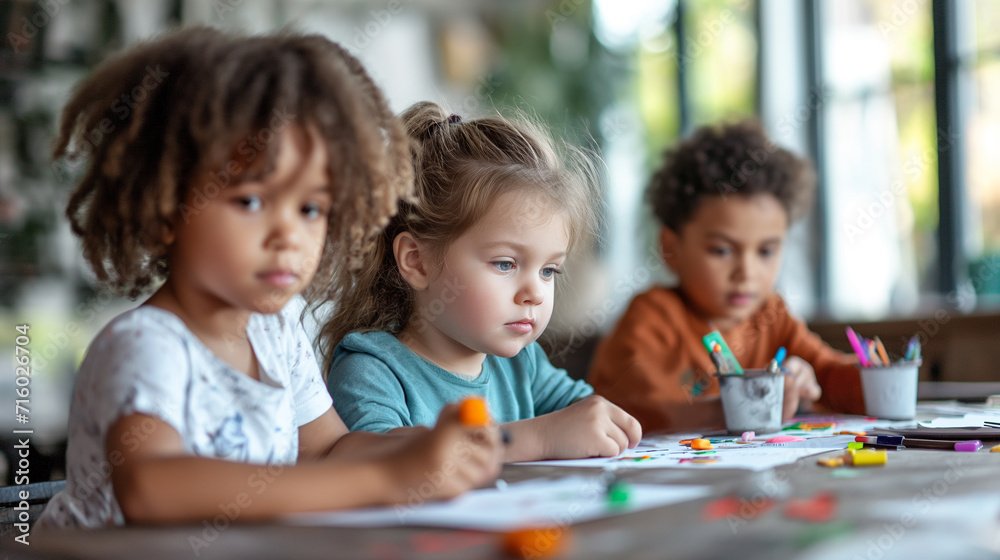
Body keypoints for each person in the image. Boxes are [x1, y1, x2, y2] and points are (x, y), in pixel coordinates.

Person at [38, 28, 503, 530]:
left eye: (310, 207)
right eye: (251, 201)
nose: (289, 235)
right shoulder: (145, 347)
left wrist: (421, 447)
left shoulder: (276, 333)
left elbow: (329, 451)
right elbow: (151, 489)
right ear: (166, 208)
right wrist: (387, 479)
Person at [321, 102, 642, 462]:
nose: (535, 292)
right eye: (505, 264)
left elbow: (584, 416)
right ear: (417, 261)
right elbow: (377, 460)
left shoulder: (521, 363)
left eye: (549, 270)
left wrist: (604, 422)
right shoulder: (372, 369)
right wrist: (537, 438)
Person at [588, 120, 866, 433]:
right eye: (722, 251)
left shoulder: (771, 316)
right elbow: (632, 411)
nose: (746, 273)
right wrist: (735, 409)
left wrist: (863, 379)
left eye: (765, 252)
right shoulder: (652, 318)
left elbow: (830, 374)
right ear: (670, 248)